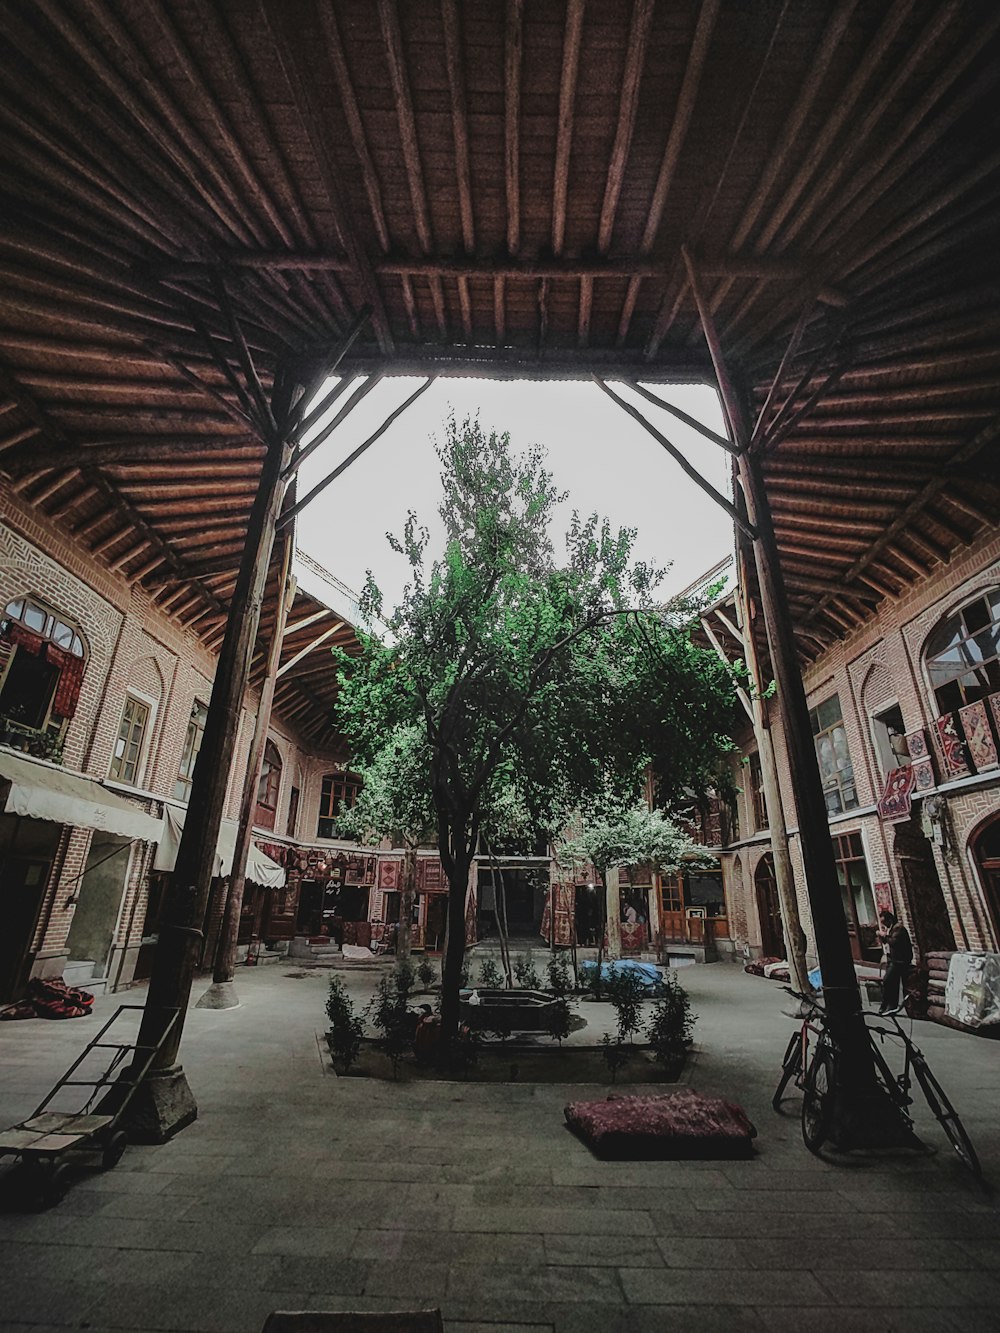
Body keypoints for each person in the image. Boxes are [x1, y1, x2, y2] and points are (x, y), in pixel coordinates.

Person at [878, 909, 913, 1014]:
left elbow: (894, 942)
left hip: (900, 960)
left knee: (888, 980)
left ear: (889, 919)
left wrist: (884, 935)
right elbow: (887, 942)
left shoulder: (899, 928)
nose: (884, 925)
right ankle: (890, 1005)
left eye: (885, 922)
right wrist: (882, 937)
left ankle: (887, 1004)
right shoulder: (891, 929)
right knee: (891, 983)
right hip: (892, 959)